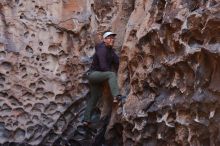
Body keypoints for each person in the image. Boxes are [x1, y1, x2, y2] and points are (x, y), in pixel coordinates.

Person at [83, 31, 125, 125]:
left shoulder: (110, 50)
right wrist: (109, 73)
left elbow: (116, 61)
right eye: (110, 38)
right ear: (104, 40)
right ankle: (116, 96)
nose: (112, 40)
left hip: (97, 77)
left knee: (95, 96)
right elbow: (103, 66)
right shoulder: (102, 49)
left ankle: (86, 119)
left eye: (113, 38)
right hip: (94, 75)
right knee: (111, 74)